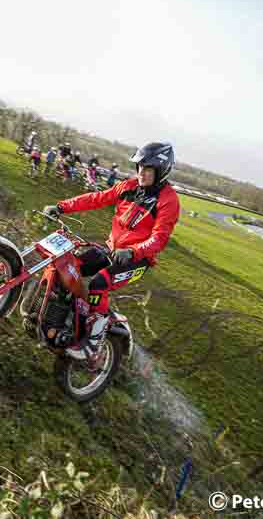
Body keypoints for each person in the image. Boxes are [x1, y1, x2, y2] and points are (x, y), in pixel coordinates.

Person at [42, 142, 180, 361]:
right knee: (69, 266)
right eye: (139, 167)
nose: (141, 173)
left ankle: (92, 343)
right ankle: (58, 320)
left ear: (161, 171)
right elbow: (96, 198)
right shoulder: (130, 186)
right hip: (111, 249)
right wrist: (62, 207)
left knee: (99, 284)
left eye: (148, 169)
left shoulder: (168, 200)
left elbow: (159, 238)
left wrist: (133, 252)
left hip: (138, 259)